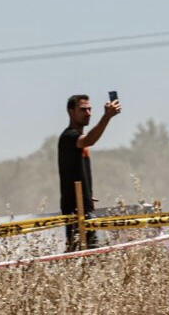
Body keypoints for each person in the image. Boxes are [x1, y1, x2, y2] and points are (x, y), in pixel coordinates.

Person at [57, 93, 121, 251]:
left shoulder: (78, 139)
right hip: (75, 209)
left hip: (85, 206)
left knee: (88, 254)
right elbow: (89, 140)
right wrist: (107, 117)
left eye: (90, 109)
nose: (88, 113)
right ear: (71, 112)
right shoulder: (69, 137)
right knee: (79, 254)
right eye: (83, 110)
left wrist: (87, 195)